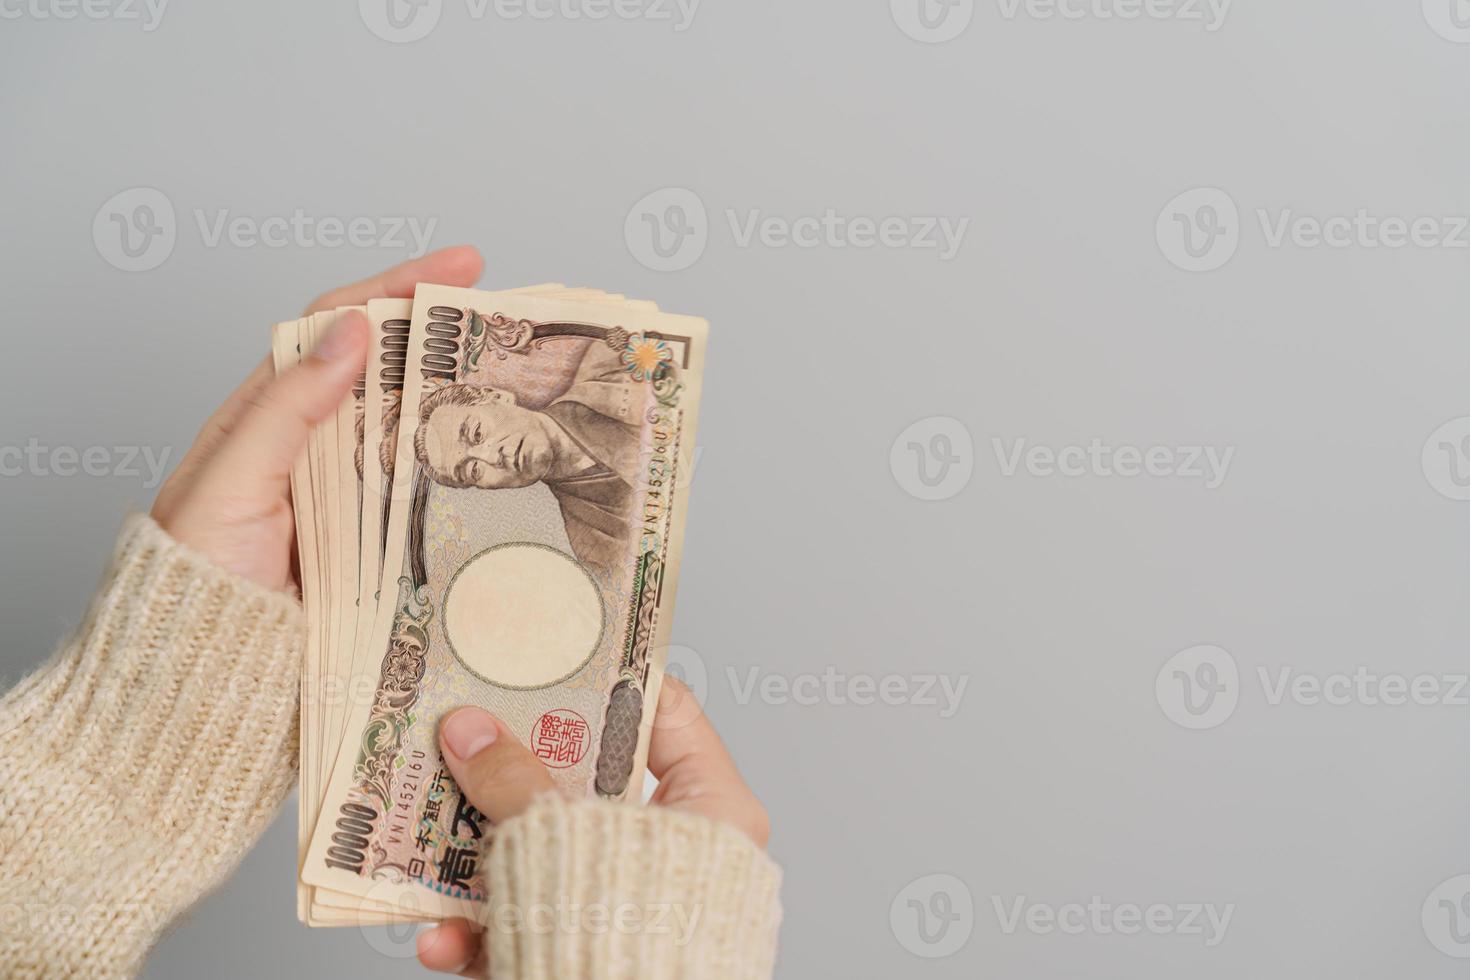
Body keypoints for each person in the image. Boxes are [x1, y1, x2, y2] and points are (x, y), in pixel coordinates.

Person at [0, 247, 780, 980]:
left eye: (474, 433)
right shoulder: (583, 534)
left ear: (493, 391)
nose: (489, 462)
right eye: (469, 470)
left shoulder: (616, 366)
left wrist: (115, 762)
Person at [413, 339, 643, 574]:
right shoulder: (597, 549)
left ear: (497, 396)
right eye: (473, 470)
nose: (493, 457)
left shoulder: (613, 361)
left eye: (477, 433)